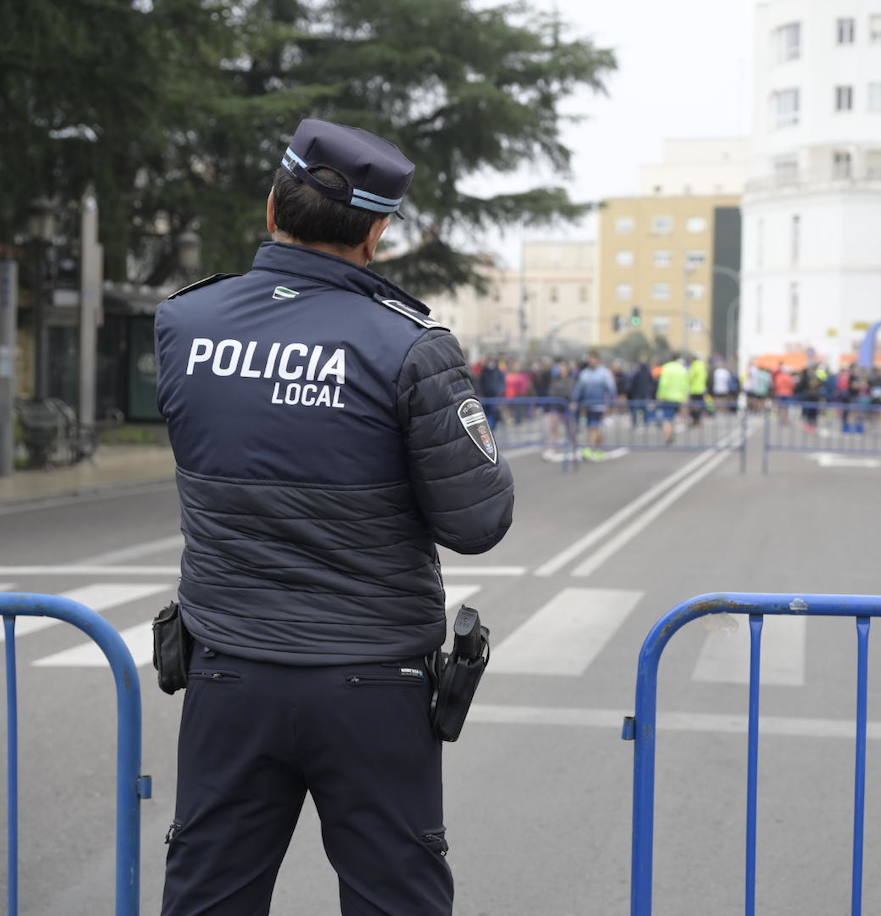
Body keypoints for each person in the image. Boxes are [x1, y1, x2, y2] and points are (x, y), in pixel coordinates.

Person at [154, 118, 515, 914]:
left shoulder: (184, 325)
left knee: (208, 897)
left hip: (228, 670)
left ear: (273, 206)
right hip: (372, 685)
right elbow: (478, 521)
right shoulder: (411, 348)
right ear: (377, 234)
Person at [571, 350, 618, 459]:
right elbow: (579, 388)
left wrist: (612, 403)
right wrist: (574, 401)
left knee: (594, 427)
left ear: (598, 360)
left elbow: (611, 388)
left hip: (600, 404)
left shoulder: (604, 372)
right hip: (587, 405)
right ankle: (599, 449)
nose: (590, 361)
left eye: (593, 359)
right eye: (589, 359)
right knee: (593, 427)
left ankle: (589, 449)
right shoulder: (585, 373)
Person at [657, 354, 690, 444]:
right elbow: (685, 384)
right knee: (675, 417)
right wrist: (686, 396)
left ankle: (668, 435)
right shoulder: (682, 369)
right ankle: (672, 433)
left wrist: (659, 395)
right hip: (679, 397)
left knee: (667, 418)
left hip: (667, 397)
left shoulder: (666, 368)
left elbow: (663, 383)